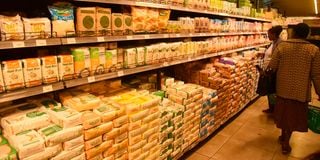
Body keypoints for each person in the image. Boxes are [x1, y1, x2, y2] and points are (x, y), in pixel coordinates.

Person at [268, 23, 320, 154]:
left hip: (283, 88)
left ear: (294, 32)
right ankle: (286, 141)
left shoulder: (282, 46)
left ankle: (283, 136)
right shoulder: (314, 50)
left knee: (284, 114)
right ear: (307, 34)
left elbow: (272, 66)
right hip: (300, 91)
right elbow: (316, 74)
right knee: (293, 117)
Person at [262, 26, 283, 113]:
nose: (268, 36)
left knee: (272, 90)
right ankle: (272, 108)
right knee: (270, 90)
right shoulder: (274, 42)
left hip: (273, 71)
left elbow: (276, 59)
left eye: (269, 34)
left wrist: (269, 71)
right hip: (269, 69)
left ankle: (274, 109)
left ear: (274, 34)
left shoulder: (280, 43)